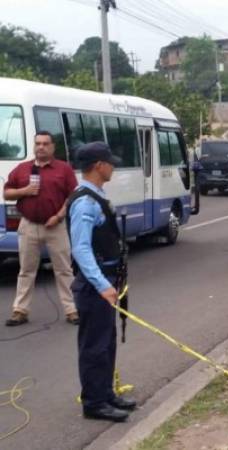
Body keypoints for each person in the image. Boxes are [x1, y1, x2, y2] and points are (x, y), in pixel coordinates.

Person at [66, 142, 136, 422]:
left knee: (106, 342)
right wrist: (102, 285)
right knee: (94, 345)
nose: (113, 166)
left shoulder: (96, 196)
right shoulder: (85, 202)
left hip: (106, 279)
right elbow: (81, 249)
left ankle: (105, 392)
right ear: (99, 166)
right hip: (94, 286)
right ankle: (94, 403)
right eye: (110, 162)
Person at [4, 131, 79, 327]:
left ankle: (72, 310)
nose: (41, 147)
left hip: (56, 226)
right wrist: (25, 191)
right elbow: (7, 193)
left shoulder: (63, 169)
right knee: (26, 270)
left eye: (45, 144)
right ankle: (20, 311)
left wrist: (59, 216)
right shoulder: (22, 169)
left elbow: (73, 196)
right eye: (38, 143)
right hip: (29, 225)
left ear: (52, 147)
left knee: (63, 270)